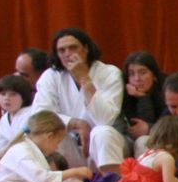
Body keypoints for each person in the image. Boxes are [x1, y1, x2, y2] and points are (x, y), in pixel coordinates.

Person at [33, 27, 126, 174]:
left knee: (102, 132)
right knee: (51, 134)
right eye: (62, 50)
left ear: (86, 49)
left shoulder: (109, 73)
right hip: (70, 143)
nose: (67, 54)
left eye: (73, 48)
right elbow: (40, 115)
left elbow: (105, 119)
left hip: (103, 146)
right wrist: (76, 123)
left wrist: (84, 78)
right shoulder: (51, 76)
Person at [120, 51, 168, 150]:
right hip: (134, 142)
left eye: (143, 73)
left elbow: (171, 126)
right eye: (131, 74)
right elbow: (139, 127)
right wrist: (142, 97)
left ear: (154, 75)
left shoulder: (167, 90)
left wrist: (149, 128)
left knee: (144, 141)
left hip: (167, 141)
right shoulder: (125, 94)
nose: (137, 79)